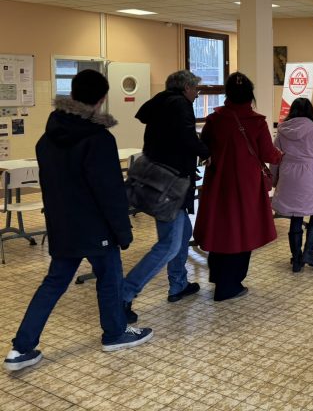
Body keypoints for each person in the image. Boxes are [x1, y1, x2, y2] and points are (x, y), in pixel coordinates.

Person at [5, 70, 152, 372]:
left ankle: (21, 349)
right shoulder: (99, 139)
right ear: (100, 100)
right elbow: (109, 192)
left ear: (72, 94)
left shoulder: (47, 138)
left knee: (53, 283)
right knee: (110, 280)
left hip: (62, 225)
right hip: (96, 227)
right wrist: (123, 231)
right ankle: (115, 333)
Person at [122, 70, 210, 323]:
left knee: (182, 235)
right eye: (195, 89)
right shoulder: (179, 104)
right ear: (185, 88)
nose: (196, 94)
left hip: (161, 180)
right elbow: (186, 137)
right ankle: (125, 294)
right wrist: (206, 151)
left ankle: (178, 284)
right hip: (171, 184)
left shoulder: (160, 103)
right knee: (168, 245)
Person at [193, 73, 282, 301]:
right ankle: (231, 284)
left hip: (218, 183)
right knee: (243, 231)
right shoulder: (257, 122)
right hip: (247, 186)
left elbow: (204, 147)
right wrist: (283, 155)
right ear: (250, 95)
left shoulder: (215, 120)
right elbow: (267, 153)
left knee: (220, 228)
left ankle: (219, 278)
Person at [271, 98, 313, 272]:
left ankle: (296, 259)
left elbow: (275, 159)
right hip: (309, 176)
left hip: (288, 176)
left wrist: (273, 179)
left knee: (296, 215)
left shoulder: (282, 132)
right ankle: (308, 252)